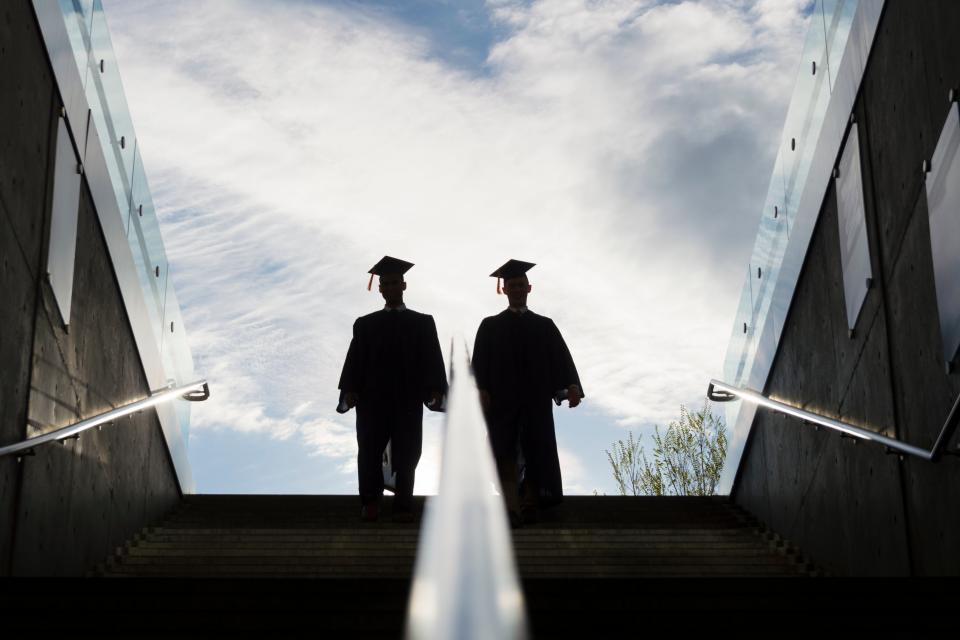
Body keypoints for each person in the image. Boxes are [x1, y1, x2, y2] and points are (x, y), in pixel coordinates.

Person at [472, 259, 583, 527]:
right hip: (502, 401)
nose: (517, 289)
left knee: (537, 450)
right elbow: (479, 364)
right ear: (504, 289)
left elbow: (561, 359)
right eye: (512, 285)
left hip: (535, 399)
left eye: (521, 285)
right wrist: (480, 389)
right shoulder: (489, 326)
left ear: (529, 288)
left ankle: (530, 503)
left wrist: (572, 385)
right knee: (503, 451)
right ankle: (510, 507)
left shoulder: (544, 326)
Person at [337, 256, 447, 522]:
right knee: (369, 448)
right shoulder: (365, 324)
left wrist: (434, 387)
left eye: (395, 282)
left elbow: (432, 356)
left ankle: (403, 503)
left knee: (409, 450)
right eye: (385, 283)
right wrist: (350, 389)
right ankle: (371, 500)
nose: (390, 287)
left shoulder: (422, 322)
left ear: (404, 285)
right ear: (380, 289)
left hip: (407, 396)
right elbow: (355, 358)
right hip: (372, 397)